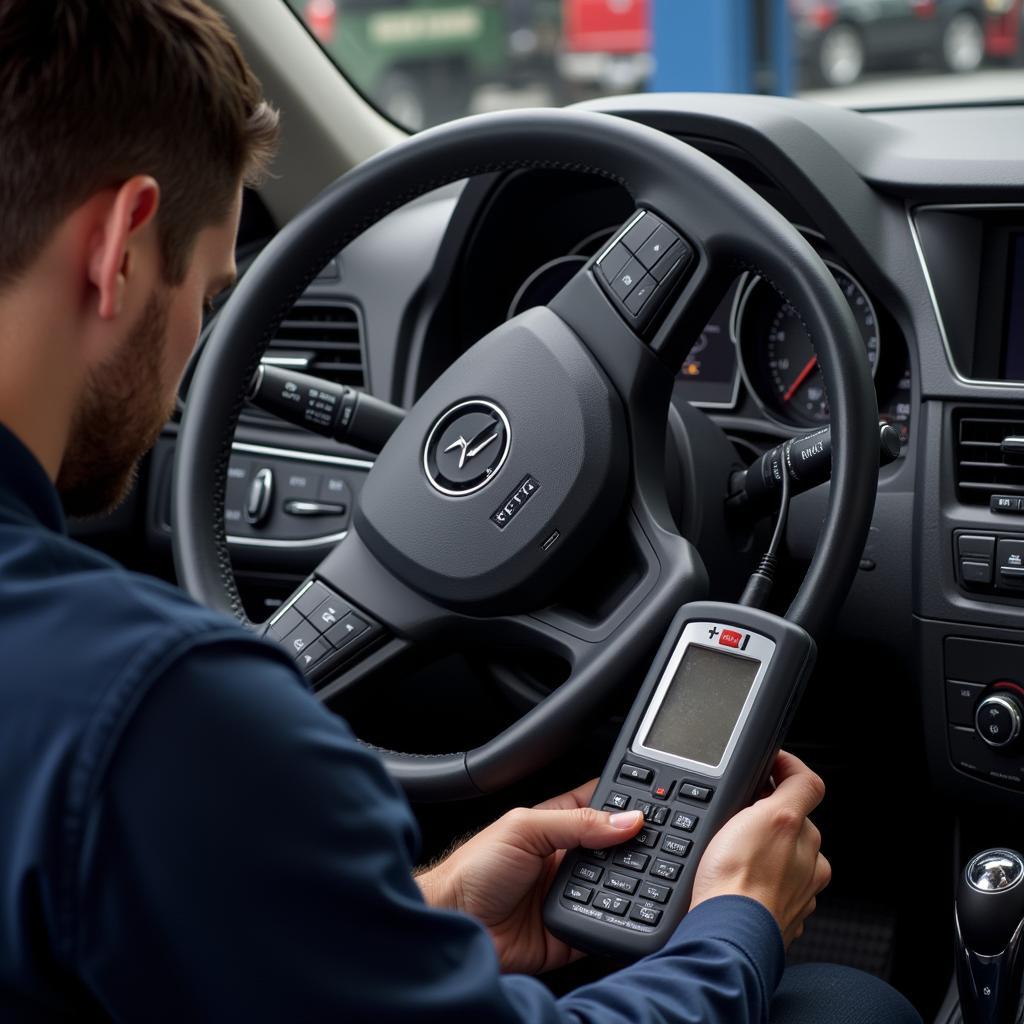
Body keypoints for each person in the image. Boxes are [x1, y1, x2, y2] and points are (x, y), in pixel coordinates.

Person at [0, 2, 921, 1021]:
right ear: (121, 245)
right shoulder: (167, 710)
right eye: (210, 294)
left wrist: (412, 917)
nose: (190, 366)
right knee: (845, 1002)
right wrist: (735, 922)